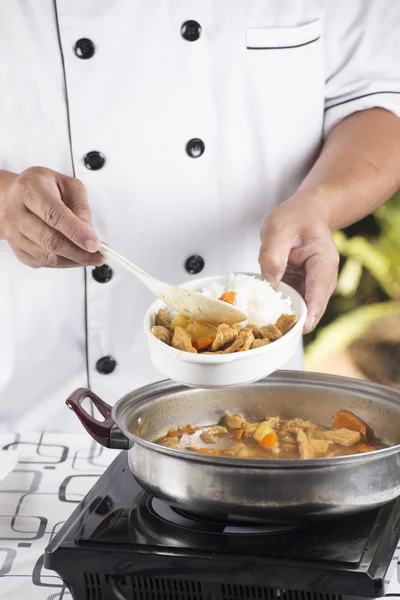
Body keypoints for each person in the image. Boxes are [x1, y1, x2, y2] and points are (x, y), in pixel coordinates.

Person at [1, 1, 399, 431]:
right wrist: (6, 202)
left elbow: (380, 102)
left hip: (253, 376)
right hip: (31, 387)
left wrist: (319, 203)